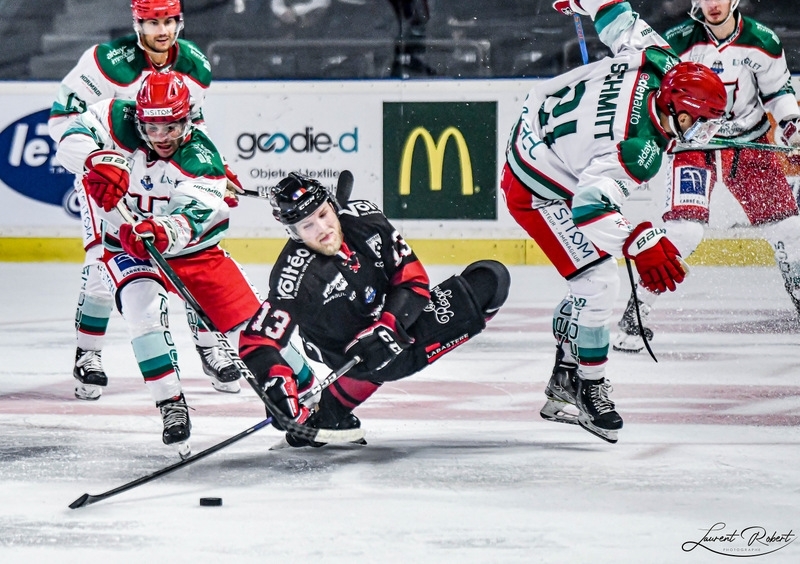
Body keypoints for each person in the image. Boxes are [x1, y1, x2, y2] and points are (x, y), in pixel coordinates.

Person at [53, 71, 310, 458]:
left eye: (171, 125)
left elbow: (191, 219)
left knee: (252, 327)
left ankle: (311, 390)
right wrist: (97, 158)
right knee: (143, 312)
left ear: (187, 119)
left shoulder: (201, 159)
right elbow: (69, 140)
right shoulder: (114, 116)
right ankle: (170, 405)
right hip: (125, 247)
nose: (162, 136)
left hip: (193, 250)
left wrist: (160, 230)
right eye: (152, 126)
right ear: (138, 118)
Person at [503, 0, 727, 443]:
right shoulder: (636, 149)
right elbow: (589, 205)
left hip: (544, 135)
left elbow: (613, 13)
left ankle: (567, 371)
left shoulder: (660, 59)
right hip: (536, 187)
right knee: (598, 281)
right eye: (699, 124)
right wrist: (640, 242)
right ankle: (587, 386)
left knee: (591, 282)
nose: (703, 134)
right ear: (677, 111)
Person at [48, 0, 244, 401]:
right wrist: (97, 159)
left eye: (168, 20)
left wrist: (214, 168)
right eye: (151, 22)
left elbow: (193, 125)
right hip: (109, 175)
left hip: (165, 172)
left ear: (180, 21)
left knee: (194, 251)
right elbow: (62, 120)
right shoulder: (107, 62)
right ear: (136, 23)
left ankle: (210, 347)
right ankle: (88, 355)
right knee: (102, 264)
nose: (161, 30)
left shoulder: (195, 66)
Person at [238, 172, 510, 447]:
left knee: (490, 279)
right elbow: (257, 341)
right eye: (307, 225)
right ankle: (335, 404)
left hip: (401, 323)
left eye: (322, 214)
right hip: (346, 349)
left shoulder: (365, 219)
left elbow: (413, 279)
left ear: (332, 204)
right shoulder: (293, 277)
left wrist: (389, 325)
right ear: (293, 233)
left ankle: (329, 413)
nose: (321, 229)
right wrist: (273, 382)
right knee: (376, 355)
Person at [613, 0, 800, 353]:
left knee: (791, 230)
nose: (713, 4)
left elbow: (778, 92)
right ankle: (637, 313)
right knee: (684, 231)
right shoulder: (678, 41)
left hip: (749, 143)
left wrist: (792, 126)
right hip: (692, 144)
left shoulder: (764, 41)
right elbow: (650, 82)